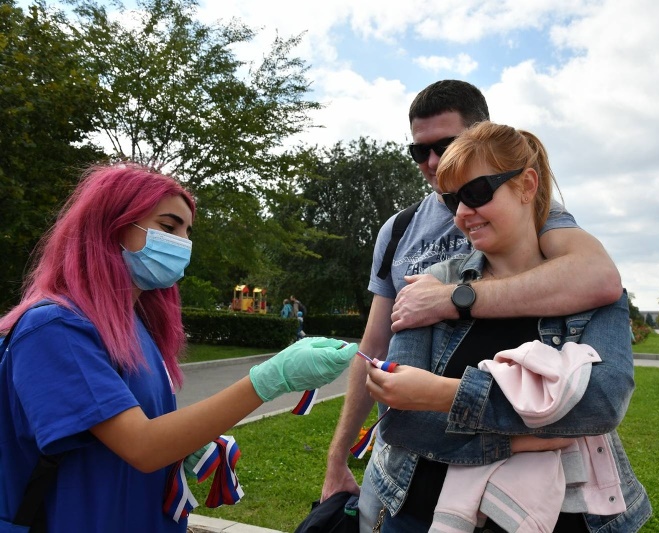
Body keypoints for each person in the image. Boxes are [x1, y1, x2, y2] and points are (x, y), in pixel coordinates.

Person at [321, 80, 624, 522]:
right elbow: (384, 372)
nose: (432, 162)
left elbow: (601, 399)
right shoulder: (400, 231)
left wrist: (451, 307)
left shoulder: (545, 218)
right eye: (419, 151)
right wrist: (337, 456)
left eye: (445, 146)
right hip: (413, 493)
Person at [0, 164, 358, 533]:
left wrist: (185, 443)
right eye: (169, 227)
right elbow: (141, 446)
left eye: (187, 232)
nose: (183, 243)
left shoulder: (135, 324)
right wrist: (270, 378)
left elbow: (138, 430)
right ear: (111, 225)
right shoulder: (55, 327)